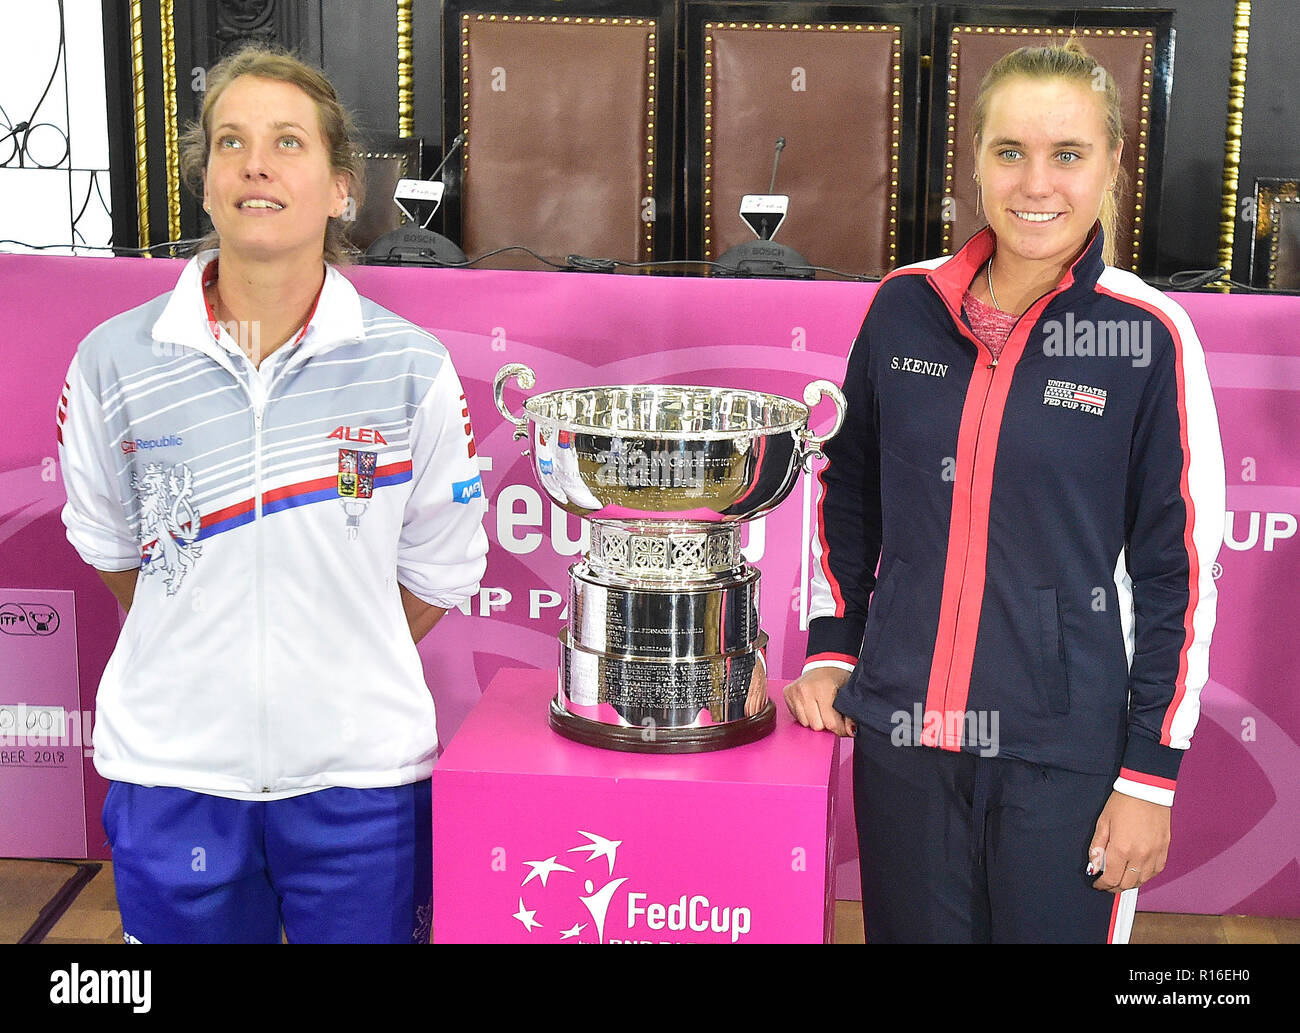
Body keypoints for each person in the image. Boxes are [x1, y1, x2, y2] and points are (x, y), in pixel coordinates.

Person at [784, 40, 1224, 943]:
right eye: (1010, 151)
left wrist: (1149, 776)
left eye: (1068, 155)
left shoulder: (1148, 336)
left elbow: (1178, 572)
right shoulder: (904, 305)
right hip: (904, 737)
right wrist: (834, 643)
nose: (1037, 183)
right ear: (975, 162)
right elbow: (850, 490)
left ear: (1111, 168)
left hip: (1063, 758)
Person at [55, 45, 489, 943]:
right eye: (231, 142)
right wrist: (205, 642)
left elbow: (443, 565)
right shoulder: (113, 361)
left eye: (288, 142)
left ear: (340, 188)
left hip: (361, 785)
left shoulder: (411, 366)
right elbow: (110, 547)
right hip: (175, 777)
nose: (256, 163)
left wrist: (332, 651)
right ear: (205, 180)